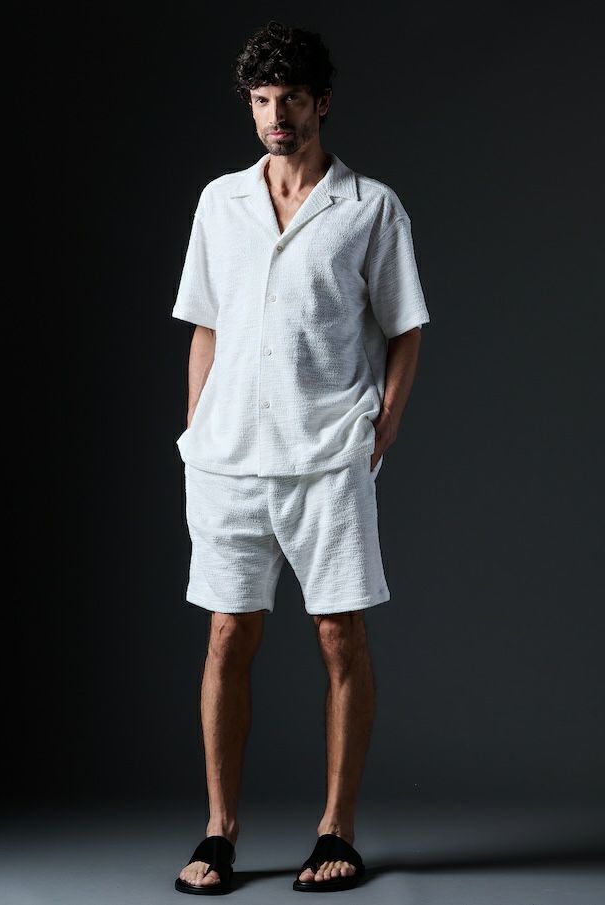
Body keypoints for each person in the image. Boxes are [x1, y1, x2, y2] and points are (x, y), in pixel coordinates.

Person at [172, 19, 430, 895]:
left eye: (290, 99)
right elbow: (205, 324)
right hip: (228, 459)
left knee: (338, 634)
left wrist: (384, 423)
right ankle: (220, 831)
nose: (275, 116)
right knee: (227, 634)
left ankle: (337, 829)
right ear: (250, 107)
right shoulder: (220, 203)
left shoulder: (370, 208)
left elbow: (406, 326)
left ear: (322, 103)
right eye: (261, 100)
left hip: (327, 457)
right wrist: (196, 428)